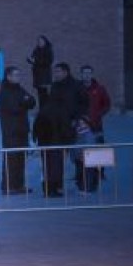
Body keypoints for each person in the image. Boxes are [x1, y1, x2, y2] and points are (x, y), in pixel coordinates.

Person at [32, 62, 88, 197]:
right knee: (54, 160)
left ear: (65, 72)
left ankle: (64, 185)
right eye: (55, 72)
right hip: (55, 130)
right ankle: (53, 187)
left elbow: (85, 103)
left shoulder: (76, 86)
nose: (55, 74)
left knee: (67, 157)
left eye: (58, 72)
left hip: (68, 126)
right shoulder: (55, 87)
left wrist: (77, 119)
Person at [0, 66, 36, 194]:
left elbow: (32, 101)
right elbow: (13, 108)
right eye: (15, 75)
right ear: (8, 76)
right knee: (11, 158)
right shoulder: (4, 91)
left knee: (21, 158)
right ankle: (8, 186)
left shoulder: (19, 89)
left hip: (22, 129)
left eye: (19, 75)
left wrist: (24, 102)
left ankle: (19, 185)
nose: (18, 78)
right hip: (11, 130)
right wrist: (23, 102)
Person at [79, 65, 111, 145]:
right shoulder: (77, 89)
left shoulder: (100, 88)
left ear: (92, 75)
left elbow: (107, 104)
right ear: (81, 75)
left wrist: (99, 114)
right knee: (81, 147)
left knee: (98, 146)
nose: (87, 75)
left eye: (89, 73)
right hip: (80, 124)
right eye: (85, 73)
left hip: (96, 124)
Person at [71, 115, 99, 193]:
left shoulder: (89, 134)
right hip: (78, 157)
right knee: (80, 172)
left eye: (83, 123)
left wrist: (85, 153)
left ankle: (88, 187)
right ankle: (82, 186)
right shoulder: (75, 133)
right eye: (80, 123)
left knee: (89, 172)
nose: (82, 125)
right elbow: (73, 146)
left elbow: (91, 144)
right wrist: (74, 157)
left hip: (88, 156)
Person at [27, 35, 54, 109]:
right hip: (37, 75)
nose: (39, 42)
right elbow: (33, 58)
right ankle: (42, 110)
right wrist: (29, 59)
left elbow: (49, 61)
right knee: (40, 94)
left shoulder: (48, 50)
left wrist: (36, 61)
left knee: (44, 94)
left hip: (44, 76)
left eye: (41, 41)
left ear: (45, 41)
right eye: (38, 41)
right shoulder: (36, 49)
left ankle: (46, 110)